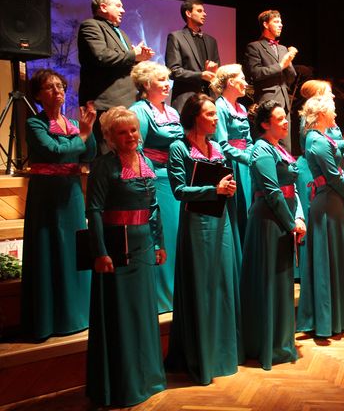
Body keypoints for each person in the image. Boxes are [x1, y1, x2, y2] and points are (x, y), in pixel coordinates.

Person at [85, 106, 166, 407]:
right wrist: (100, 252)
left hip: (144, 246)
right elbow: (94, 210)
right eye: (122, 132)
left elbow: (154, 207)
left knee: (143, 312)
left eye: (133, 130)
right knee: (120, 316)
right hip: (116, 247)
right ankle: (122, 385)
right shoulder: (103, 166)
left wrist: (159, 243)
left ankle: (148, 379)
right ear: (109, 137)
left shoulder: (146, 161)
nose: (130, 135)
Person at [166, 94, 243, 384]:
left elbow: (224, 182)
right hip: (196, 223)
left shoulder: (216, 147)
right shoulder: (178, 148)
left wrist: (228, 189)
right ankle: (201, 356)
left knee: (221, 283)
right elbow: (179, 191)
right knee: (201, 285)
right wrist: (214, 190)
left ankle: (223, 353)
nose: (214, 118)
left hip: (221, 220)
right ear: (194, 116)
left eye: (215, 113)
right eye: (209, 114)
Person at [21, 69, 96, 341]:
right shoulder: (35, 124)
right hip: (47, 195)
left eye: (60, 86)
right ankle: (50, 319)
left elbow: (89, 154)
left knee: (74, 249)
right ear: (38, 95)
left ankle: (78, 314)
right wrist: (82, 137)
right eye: (50, 87)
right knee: (49, 249)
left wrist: (88, 133)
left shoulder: (73, 124)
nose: (58, 91)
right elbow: (54, 152)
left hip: (72, 192)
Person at [242, 100, 306, 370]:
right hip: (268, 222)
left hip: (284, 220)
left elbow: (293, 188)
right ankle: (268, 345)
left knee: (282, 282)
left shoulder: (280, 149)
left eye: (285, 117)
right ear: (265, 124)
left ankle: (281, 342)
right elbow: (272, 192)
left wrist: (299, 216)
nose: (285, 121)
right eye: (280, 118)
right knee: (269, 282)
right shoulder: (261, 150)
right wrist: (291, 223)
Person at [297, 96, 344, 337]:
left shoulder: (319, 137)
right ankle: (329, 319)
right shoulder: (316, 140)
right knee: (329, 262)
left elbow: (332, 145)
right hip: (329, 204)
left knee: (335, 260)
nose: (336, 114)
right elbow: (334, 178)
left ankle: (338, 316)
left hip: (333, 202)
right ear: (321, 114)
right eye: (333, 111)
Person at [129, 61, 184, 313]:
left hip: (176, 178)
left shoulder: (172, 111)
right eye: (160, 80)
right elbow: (136, 149)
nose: (166, 84)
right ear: (145, 84)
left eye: (166, 79)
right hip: (157, 180)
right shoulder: (139, 110)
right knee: (164, 235)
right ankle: (162, 297)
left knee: (177, 236)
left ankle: (178, 293)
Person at [78, 0, 154, 151]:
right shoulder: (91, 26)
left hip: (127, 102)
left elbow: (123, 62)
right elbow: (101, 56)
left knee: (128, 153)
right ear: (103, 7)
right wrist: (133, 55)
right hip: (106, 103)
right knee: (107, 153)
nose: (123, 10)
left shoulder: (122, 33)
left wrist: (140, 58)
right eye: (118, 6)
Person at [211, 64, 253, 246]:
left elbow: (248, 140)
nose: (246, 83)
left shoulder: (242, 108)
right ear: (230, 82)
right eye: (242, 78)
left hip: (245, 165)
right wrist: (247, 158)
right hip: (231, 165)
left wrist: (252, 155)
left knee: (248, 208)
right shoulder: (220, 107)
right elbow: (222, 145)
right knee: (236, 211)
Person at [245, 9, 298, 152]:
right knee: (268, 143)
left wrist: (289, 61)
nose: (281, 25)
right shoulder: (254, 47)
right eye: (276, 22)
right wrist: (280, 65)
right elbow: (255, 73)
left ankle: (286, 166)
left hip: (284, 101)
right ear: (265, 24)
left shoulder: (282, 48)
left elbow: (291, 77)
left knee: (285, 146)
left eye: (281, 22)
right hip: (267, 100)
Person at [165, 0, 220, 112]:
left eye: (204, 11)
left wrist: (214, 71)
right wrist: (200, 75)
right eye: (199, 11)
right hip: (186, 101)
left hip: (209, 100)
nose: (204, 14)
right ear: (188, 13)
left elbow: (217, 69)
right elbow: (173, 71)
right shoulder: (176, 37)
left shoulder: (211, 41)